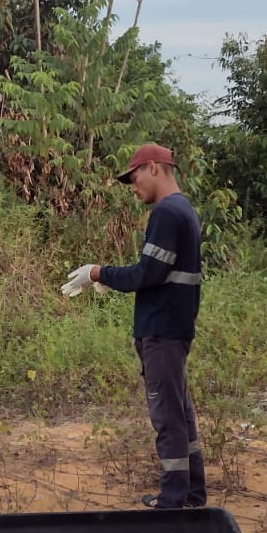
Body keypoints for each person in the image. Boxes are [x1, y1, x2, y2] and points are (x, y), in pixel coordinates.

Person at [61, 142, 206, 510]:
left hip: (162, 333)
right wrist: (111, 280)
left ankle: (174, 502)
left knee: (168, 417)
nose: (132, 185)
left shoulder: (167, 212)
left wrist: (97, 272)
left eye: (135, 176)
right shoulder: (182, 209)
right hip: (173, 329)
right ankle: (191, 495)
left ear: (154, 167)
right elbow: (157, 275)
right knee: (180, 414)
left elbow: (148, 272)